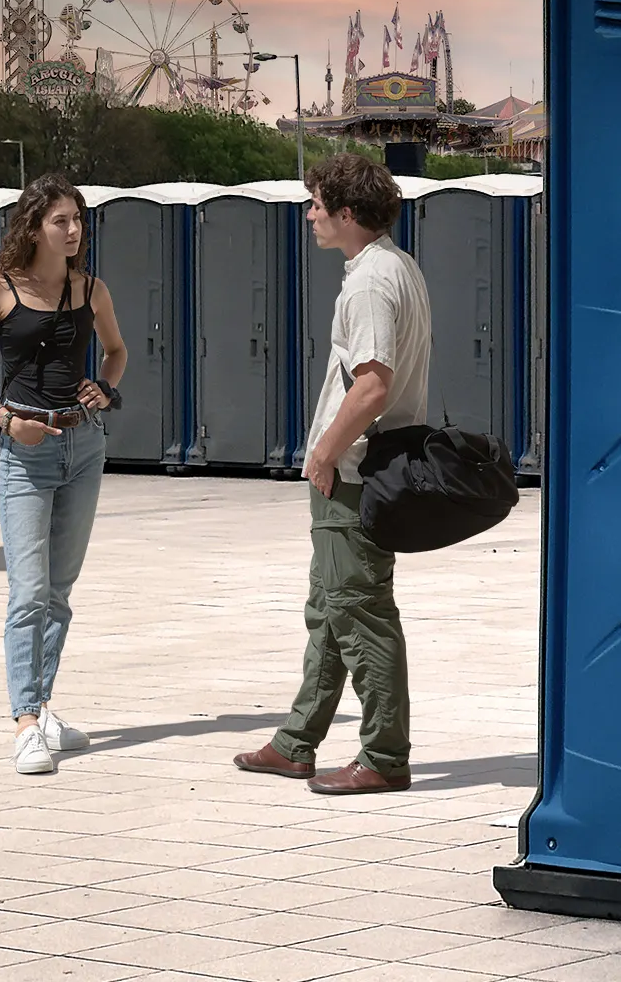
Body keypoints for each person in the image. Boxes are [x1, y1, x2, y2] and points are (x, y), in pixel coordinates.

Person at [234, 153, 431, 795]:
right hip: (360, 466)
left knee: (360, 608)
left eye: (317, 204)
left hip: (351, 470)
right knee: (329, 607)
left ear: (347, 213)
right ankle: (297, 743)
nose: (310, 214)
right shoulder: (394, 266)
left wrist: (323, 452)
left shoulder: (371, 280)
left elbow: (372, 385)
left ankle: (383, 756)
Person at [0, 175, 127, 777]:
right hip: (24, 450)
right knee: (28, 592)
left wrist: (104, 389)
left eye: (78, 219)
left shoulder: (91, 289)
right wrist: (6, 420)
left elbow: (117, 352)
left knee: (59, 591)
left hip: (84, 445)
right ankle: (26, 722)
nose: (73, 230)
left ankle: (43, 707)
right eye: (61, 220)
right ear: (33, 227)